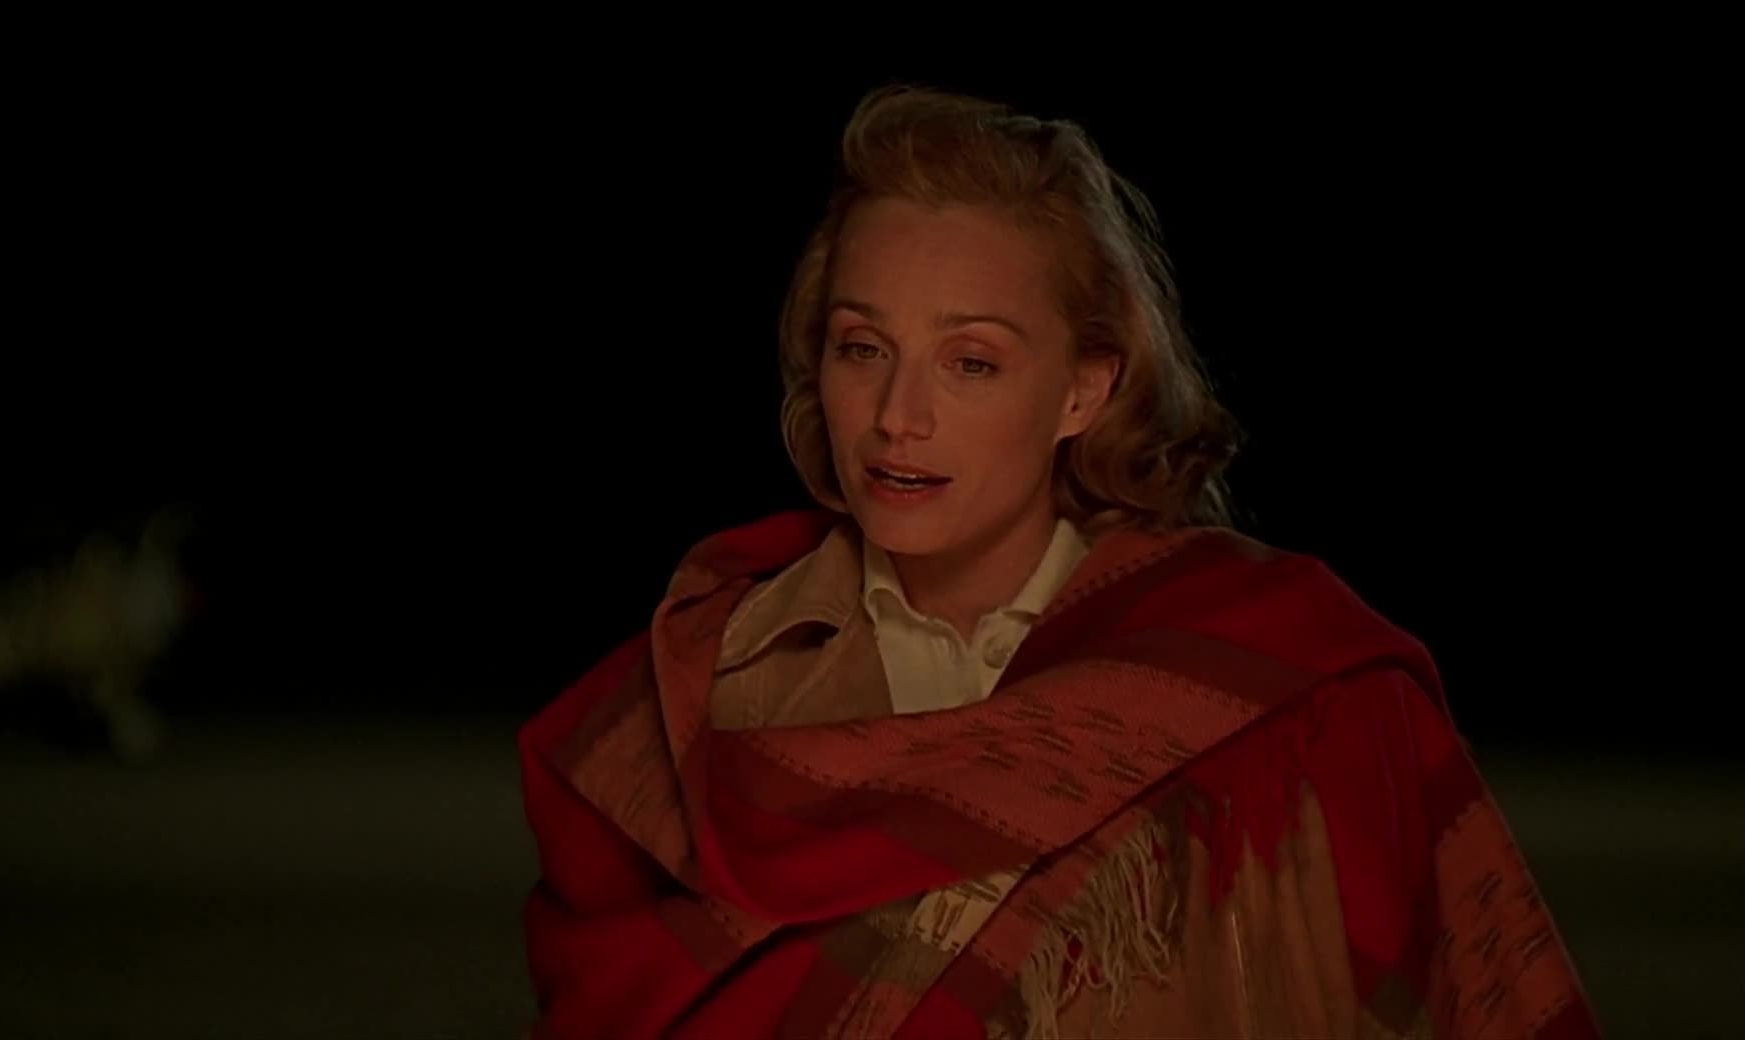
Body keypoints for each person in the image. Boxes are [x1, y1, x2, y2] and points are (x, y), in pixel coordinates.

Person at [517, 85, 1597, 1038]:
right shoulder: (700, 696)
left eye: (972, 362)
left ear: (1085, 388)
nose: (898, 416)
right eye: (863, 348)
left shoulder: (1266, 681)